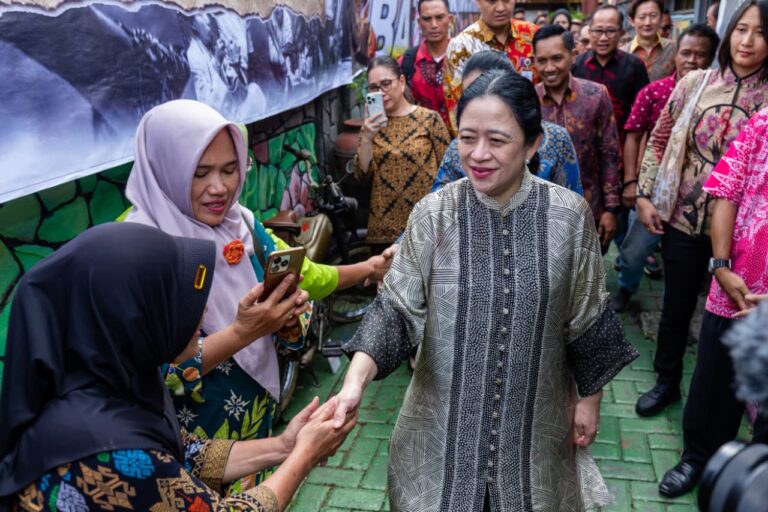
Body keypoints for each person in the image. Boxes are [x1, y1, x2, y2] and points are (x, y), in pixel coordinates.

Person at [331, 70, 638, 512]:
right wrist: (354, 384)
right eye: (467, 137)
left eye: (497, 140)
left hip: (536, 436)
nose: (478, 154)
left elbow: (586, 318)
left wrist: (590, 400)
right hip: (440, 439)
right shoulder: (433, 213)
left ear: (532, 144)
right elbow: (396, 310)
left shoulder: (569, 216)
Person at [124, 99, 388, 493]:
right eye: (200, 173)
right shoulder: (134, 250)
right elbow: (148, 372)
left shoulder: (241, 224)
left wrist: (287, 317)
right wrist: (244, 332)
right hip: (185, 446)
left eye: (230, 170)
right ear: (163, 170)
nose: (220, 188)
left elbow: (304, 281)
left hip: (256, 424)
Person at [0, 223, 356, 510]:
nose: (203, 311)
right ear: (133, 318)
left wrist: (284, 445)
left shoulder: (118, 382)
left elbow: (185, 454)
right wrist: (304, 455)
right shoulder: (103, 447)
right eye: (174, 299)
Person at [634, 0, 768, 424]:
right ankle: (666, 381)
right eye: (741, 29)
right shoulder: (696, 82)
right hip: (684, 219)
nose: (748, 41)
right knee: (675, 310)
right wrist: (644, 195)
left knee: (730, 322)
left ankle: (727, 403)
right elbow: (659, 138)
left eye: (760, 32)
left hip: (745, 239)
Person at [659, 107, 768, 498]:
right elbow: (727, 193)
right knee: (713, 383)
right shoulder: (762, 123)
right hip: (735, 287)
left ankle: (757, 480)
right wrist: (720, 266)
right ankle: (697, 459)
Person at [612, 23, 720, 312]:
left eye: (700, 54)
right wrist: (632, 182)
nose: (692, 60)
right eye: (686, 53)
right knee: (635, 251)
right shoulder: (654, 92)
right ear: (675, 54)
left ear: (712, 58)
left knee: (685, 263)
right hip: (653, 190)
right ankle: (627, 287)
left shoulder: (719, 99)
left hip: (696, 196)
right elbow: (634, 136)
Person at [433, 51, 582, 195]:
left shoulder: (556, 139)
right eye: (471, 93)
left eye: (496, 140)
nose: (479, 155)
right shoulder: (458, 148)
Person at [533, 24, 621, 253]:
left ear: (573, 56)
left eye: (557, 58)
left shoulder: (596, 95)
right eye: (542, 61)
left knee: (586, 271)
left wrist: (611, 209)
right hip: (539, 215)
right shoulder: (527, 100)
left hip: (589, 210)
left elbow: (610, 153)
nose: (549, 68)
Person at [356, 56, 451, 246]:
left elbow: (448, 172)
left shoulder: (429, 119)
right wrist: (367, 137)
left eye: (386, 84)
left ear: (401, 82)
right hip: (384, 232)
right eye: (374, 88)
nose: (381, 92)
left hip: (427, 227)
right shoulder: (370, 127)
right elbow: (362, 176)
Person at [443, 0, 538, 134]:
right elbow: (456, 109)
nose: (500, 8)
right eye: (492, 1)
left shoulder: (532, 35)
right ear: (478, 2)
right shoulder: (461, 47)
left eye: (506, 0)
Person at [573, 5, 650, 141]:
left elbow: (643, 113)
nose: (603, 38)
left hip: (622, 142)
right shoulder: (576, 65)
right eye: (598, 31)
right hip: (583, 142)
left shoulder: (635, 66)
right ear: (590, 32)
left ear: (621, 32)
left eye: (611, 31)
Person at [399, 0, 453, 127]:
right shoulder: (406, 63)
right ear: (419, 22)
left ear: (449, 19)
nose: (434, 25)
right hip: (419, 136)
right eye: (427, 19)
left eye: (439, 17)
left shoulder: (465, 57)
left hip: (462, 137)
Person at [622, 0, 677, 82]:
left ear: (661, 18)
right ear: (632, 21)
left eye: (653, 16)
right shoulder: (622, 53)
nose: (648, 23)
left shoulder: (675, 48)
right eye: (642, 17)